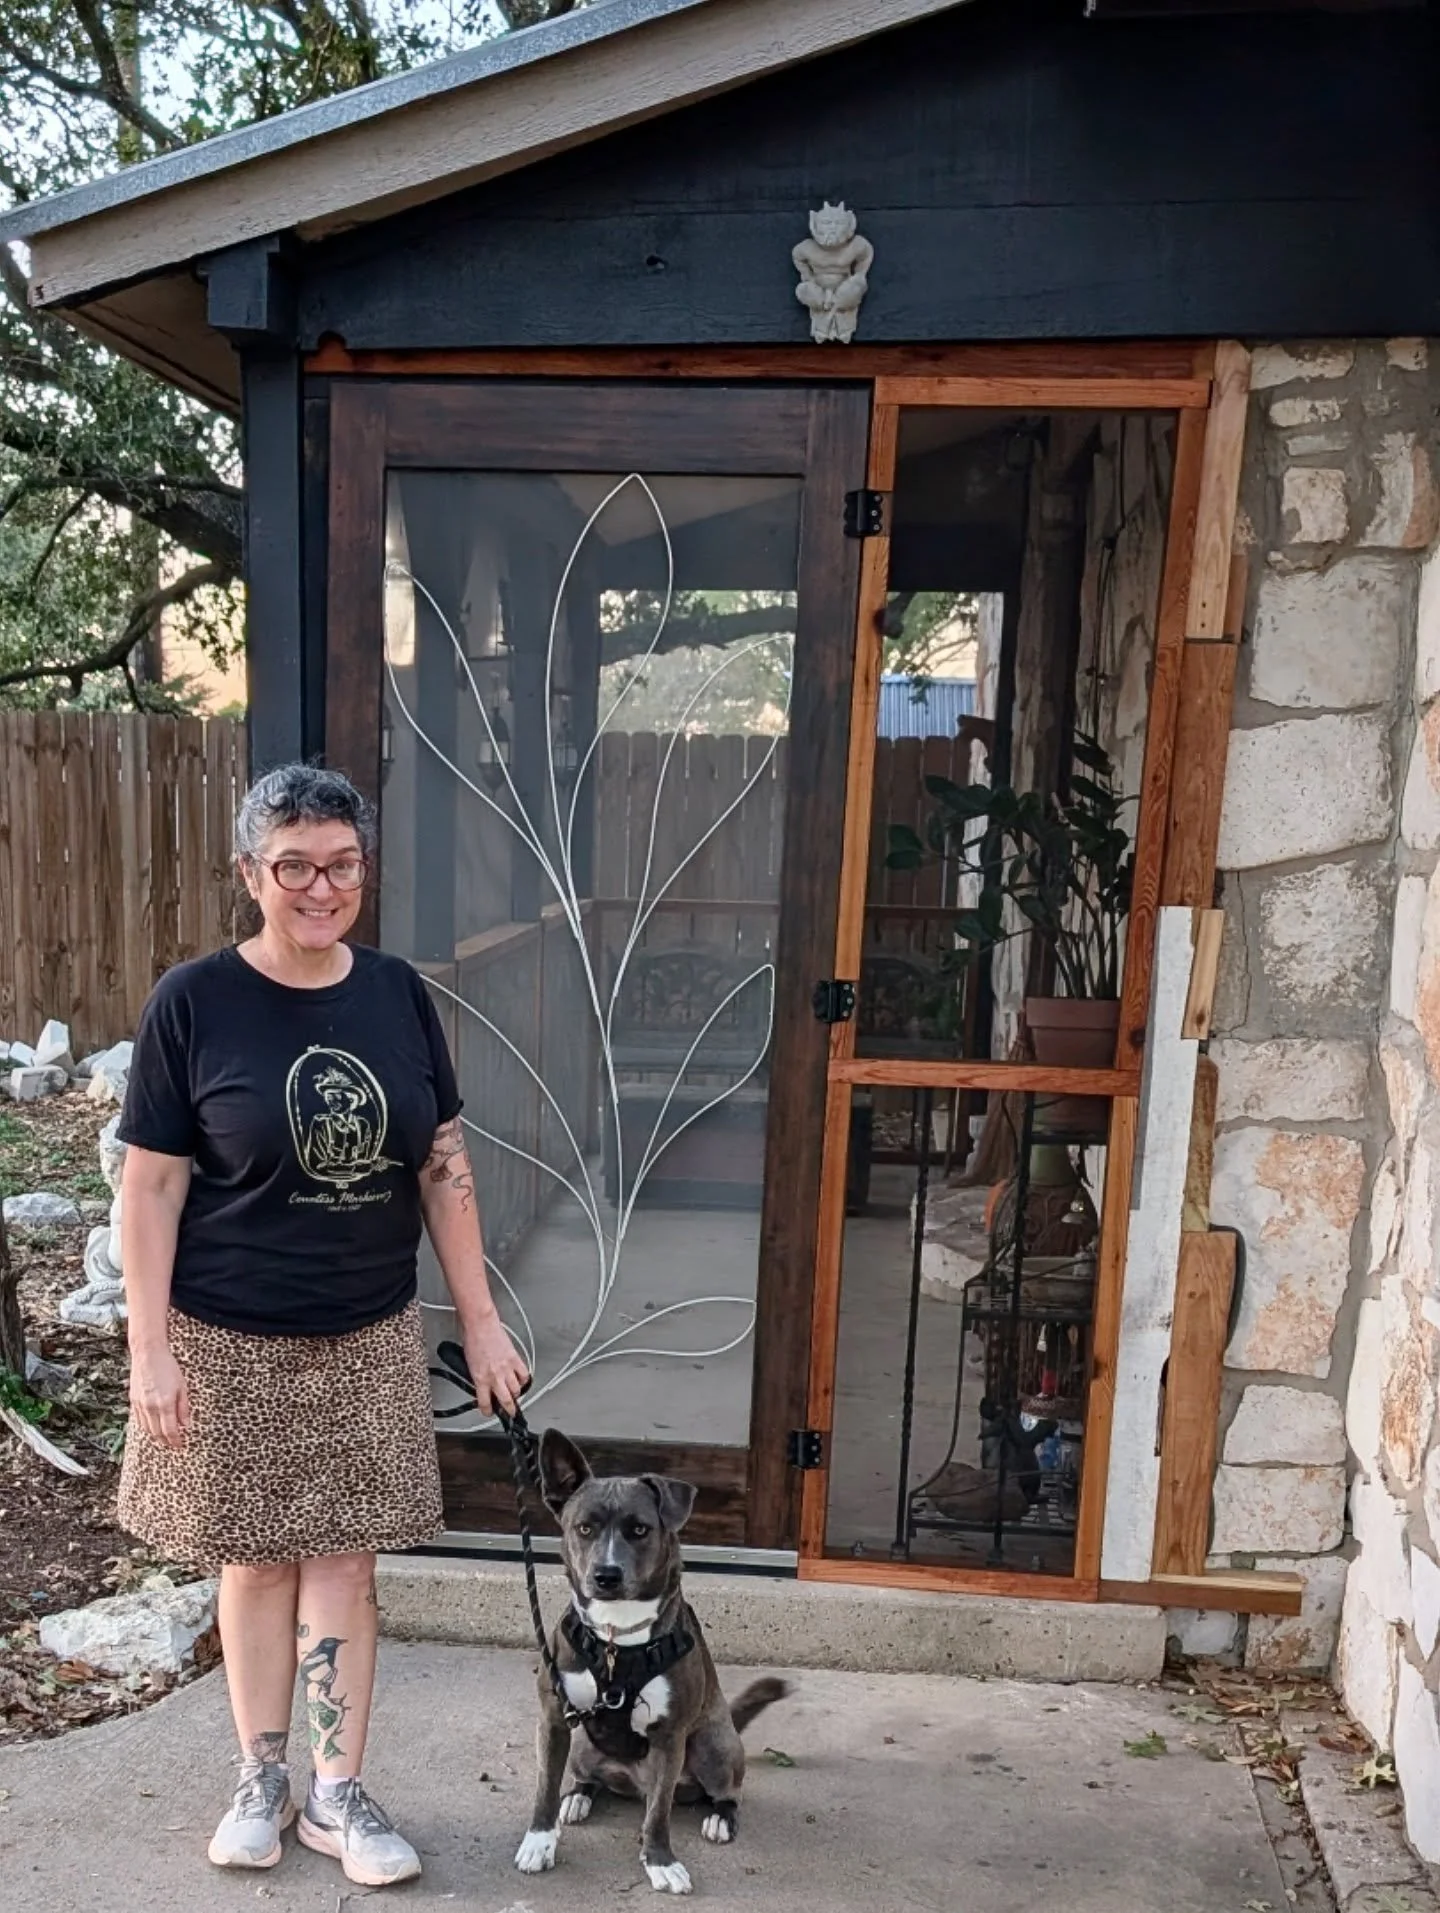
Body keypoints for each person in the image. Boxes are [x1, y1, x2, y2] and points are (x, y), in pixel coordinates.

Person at [116, 762, 528, 1888]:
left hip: (366, 1328)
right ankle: (263, 1776)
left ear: (363, 869)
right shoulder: (193, 1002)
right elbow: (147, 1188)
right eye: (293, 863)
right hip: (227, 1329)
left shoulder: (397, 994)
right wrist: (148, 1346)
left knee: (345, 1559)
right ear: (252, 871)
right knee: (253, 1559)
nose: (320, 885)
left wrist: (481, 1322)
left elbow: (443, 1164)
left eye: (341, 863)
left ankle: (337, 1790)